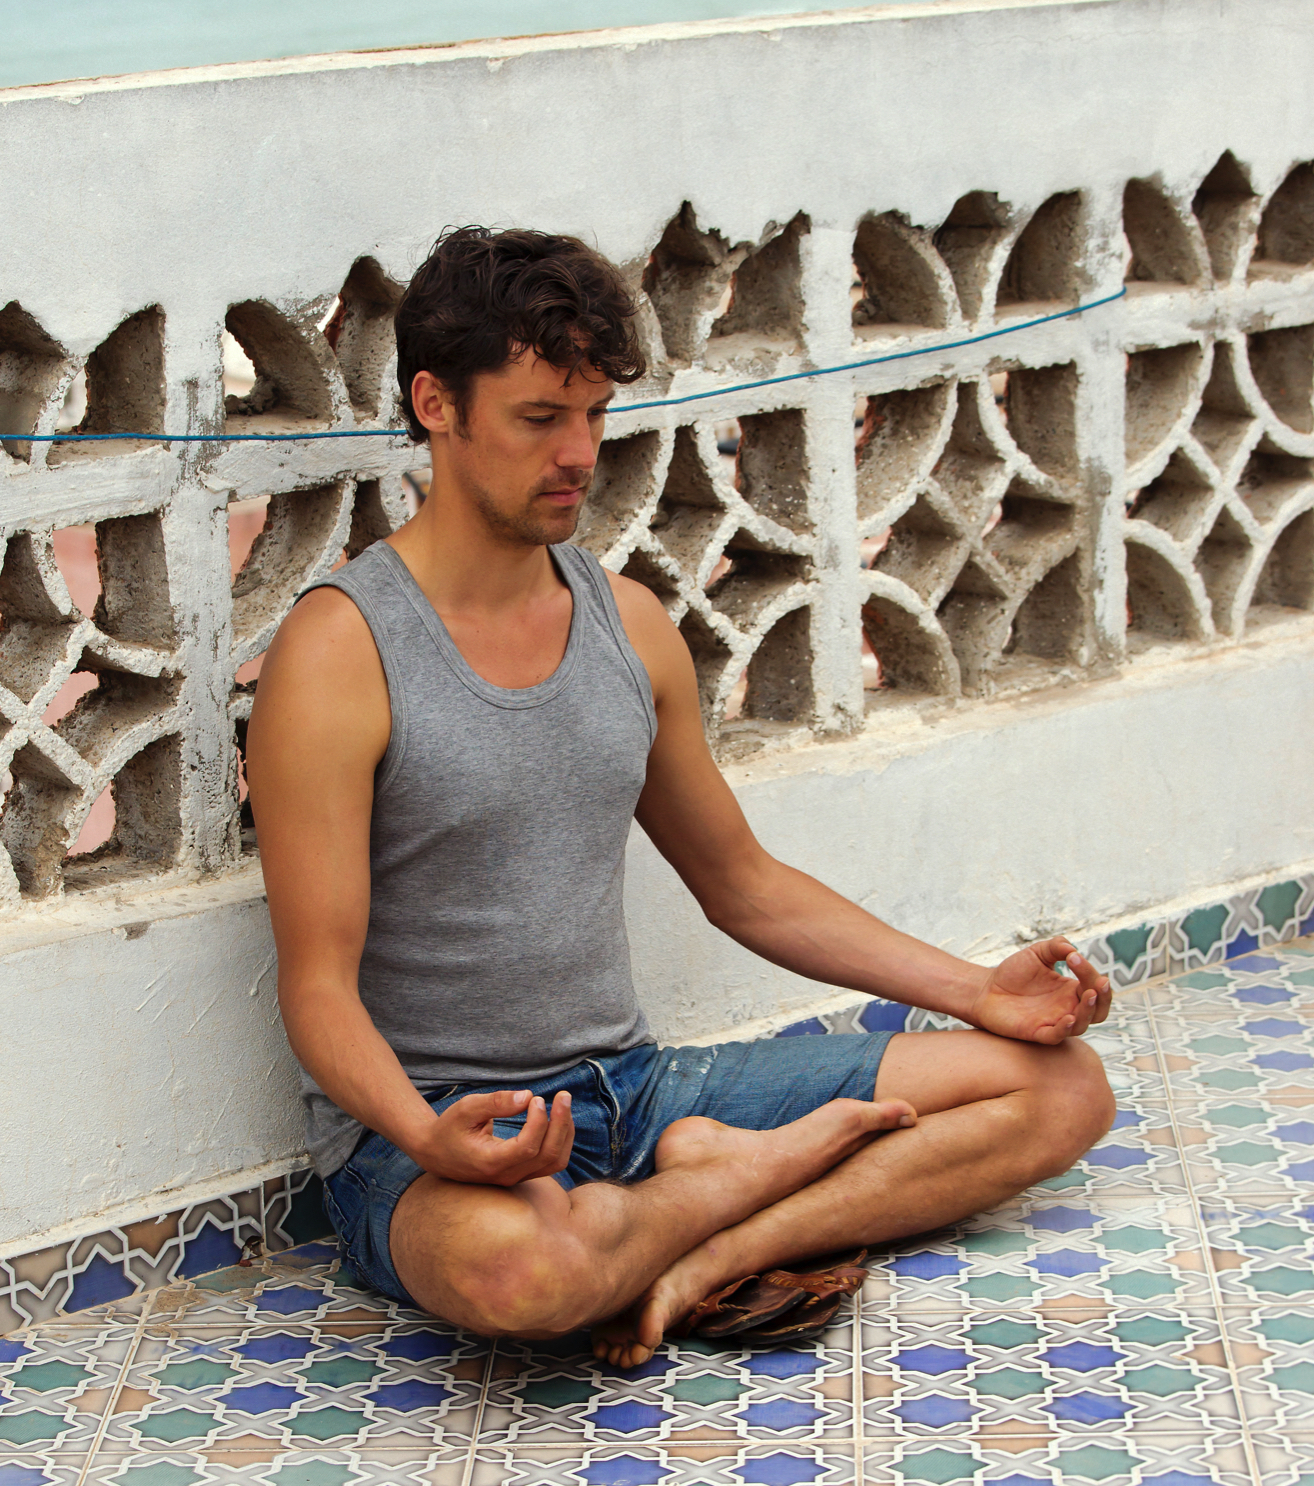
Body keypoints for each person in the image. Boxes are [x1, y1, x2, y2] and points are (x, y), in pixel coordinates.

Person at [246, 226, 1115, 1368]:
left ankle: (709, 1234)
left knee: (1062, 1091)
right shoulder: (340, 650)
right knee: (530, 1273)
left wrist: (975, 991)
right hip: (429, 1132)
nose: (577, 453)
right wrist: (427, 1134)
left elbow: (744, 884)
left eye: (594, 415)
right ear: (436, 405)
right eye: (539, 418)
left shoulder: (632, 626)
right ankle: (736, 1185)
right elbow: (315, 988)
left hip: (638, 1094)